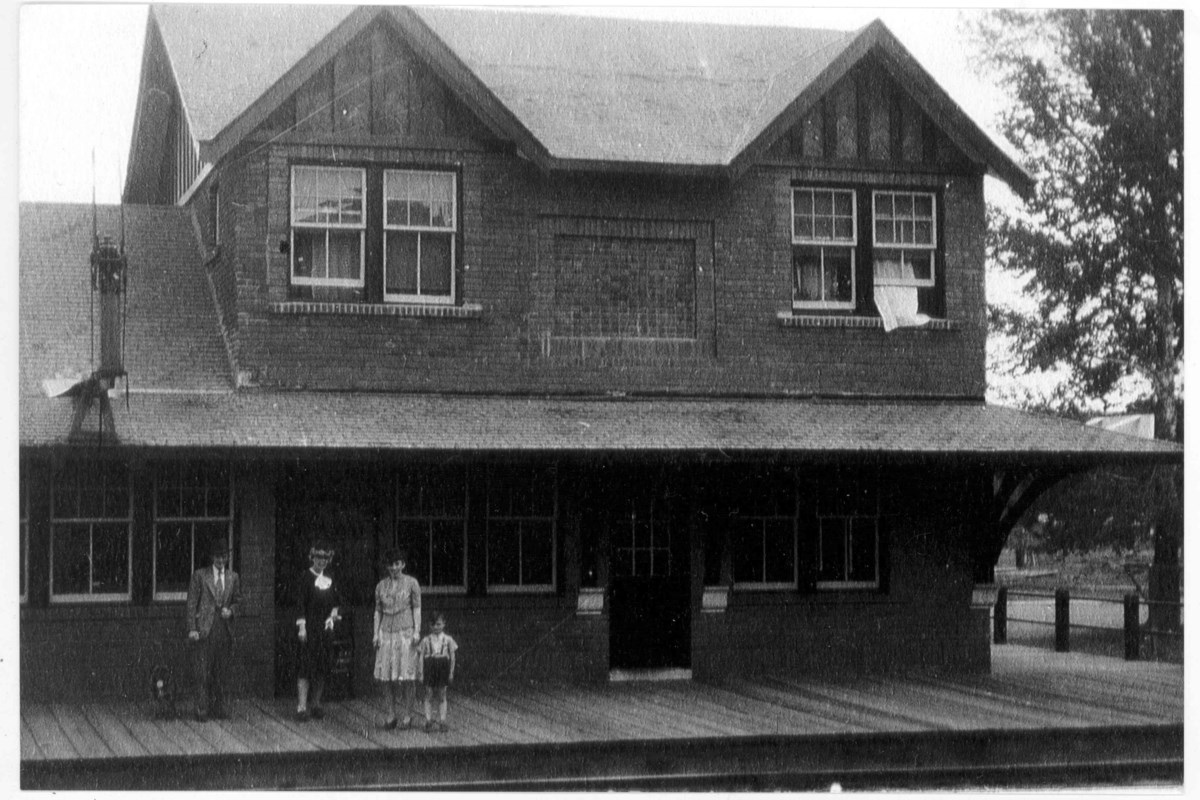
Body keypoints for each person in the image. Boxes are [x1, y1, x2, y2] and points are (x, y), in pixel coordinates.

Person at [186, 538, 241, 722]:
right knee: (202, 671)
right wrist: (192, 629)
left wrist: (231, 611)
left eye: (224, 556)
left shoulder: (233, 577)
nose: (221, 560)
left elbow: (238, 602)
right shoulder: (200, 576)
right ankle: (201, 709)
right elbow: (192, 604)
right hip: (205, 629)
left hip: (224, 629)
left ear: (228, 557)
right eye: (218, 557)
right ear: (212, 557)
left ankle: (220, 708)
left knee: (222, 672)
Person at [372, 547, 421, 729]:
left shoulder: (411, 583)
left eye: (397, 564)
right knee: (386, 676)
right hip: (386, 634)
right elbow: (378, 611)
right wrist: (376, 633)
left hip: (405, 632)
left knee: (407, 675)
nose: (394, 568)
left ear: (403, 564)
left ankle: (408, 715)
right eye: (390, 564)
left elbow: (416, 608)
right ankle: (391, 714)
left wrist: (417, 631)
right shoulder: (381, 586)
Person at [294, 541, 341, 721]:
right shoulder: (305, 577)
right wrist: (302, 627)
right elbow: (300, 604)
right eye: (318, 557)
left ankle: (316, 704)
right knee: (305, 667)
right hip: (308, 628)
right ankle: (302, 706)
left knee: (321, 667)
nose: (321, 561)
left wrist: (333, 615)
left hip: (325, 628)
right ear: (312, 557)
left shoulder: (330, 578)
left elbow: (336, 601)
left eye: (325, 558)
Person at [418, 612, 457, 733]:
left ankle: (442, 720)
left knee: (442, 694)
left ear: (444, 624)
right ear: (429, 625)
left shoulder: (448, 640)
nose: (436, 627)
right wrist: (421, 673)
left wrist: (451, 672)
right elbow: (421, 657)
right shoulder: (425, 640)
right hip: (430, 667)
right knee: (428, 693)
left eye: (438, 624)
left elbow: (452, 656)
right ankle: (428, 720)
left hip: (442, 667)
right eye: (433, 624)